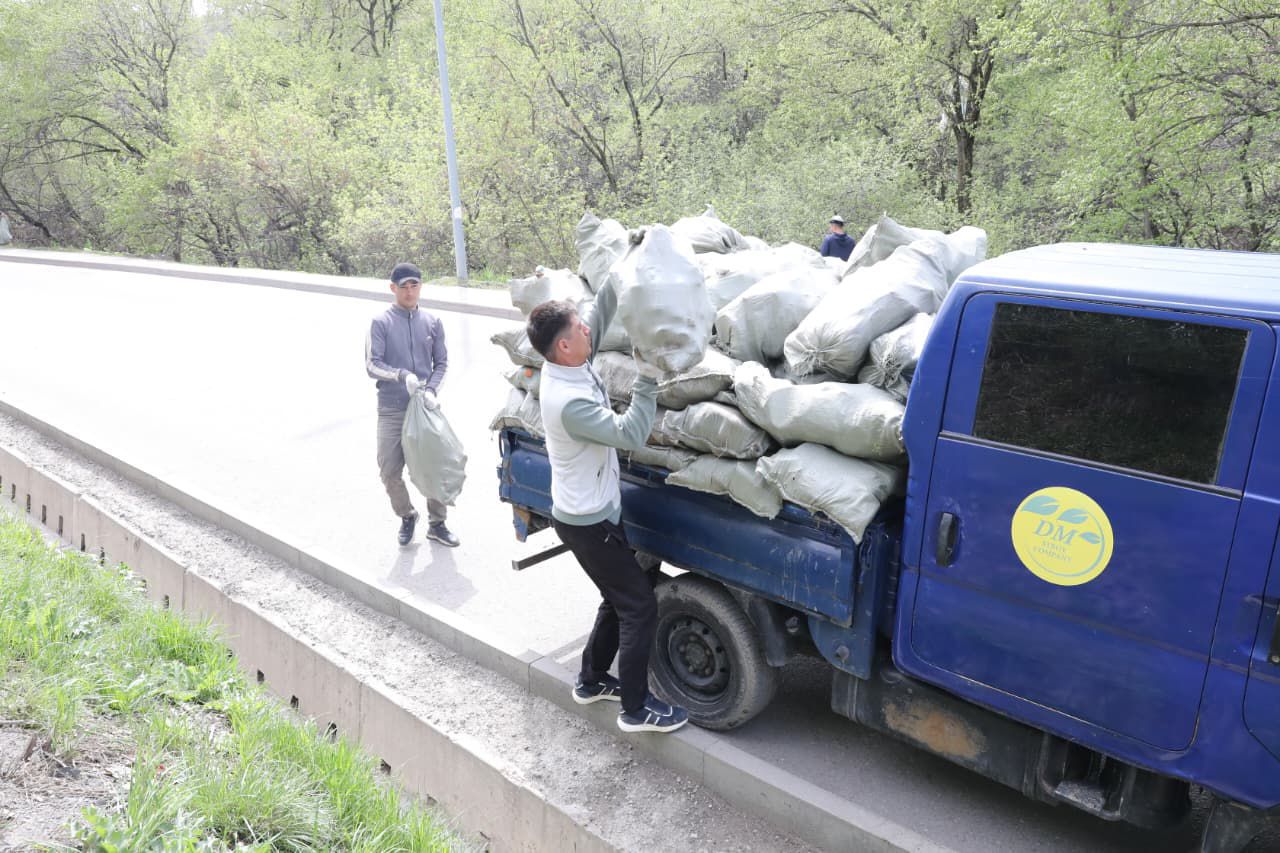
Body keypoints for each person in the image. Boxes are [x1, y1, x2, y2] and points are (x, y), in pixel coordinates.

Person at [527, 285, 690, 734]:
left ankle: (592, 679)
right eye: (578, 328)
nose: (587, 330)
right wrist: (647, 378)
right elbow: (631, 433)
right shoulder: (568, 403)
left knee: (617, 598)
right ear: (564, 345)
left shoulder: (569, 358)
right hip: (588, 522)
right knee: (638, 607)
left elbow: (598, 316)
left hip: (594, 512)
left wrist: (624, 274)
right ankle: (636, 709)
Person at [365, 261, 460, 548]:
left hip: (424, 407)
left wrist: (431, 390)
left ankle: (437, 524)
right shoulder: (381, 322)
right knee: (389, 470)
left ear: (420, 286)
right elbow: (372, 364)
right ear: (392, 288)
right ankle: (407, 515)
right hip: (392, 407)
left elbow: (441, 363)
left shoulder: (432, 322)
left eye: (414, 285)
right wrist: (401, 375)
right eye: (403, 287)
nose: (409, 292)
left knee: (433, 465)